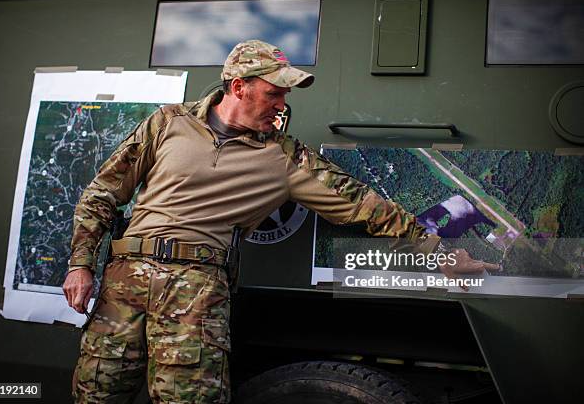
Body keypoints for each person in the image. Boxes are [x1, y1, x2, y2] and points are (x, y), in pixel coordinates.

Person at [63, 39, 498, 403]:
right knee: (95, 394)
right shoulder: (167, 123)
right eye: (275, 93)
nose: (282, 104)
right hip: (122, 285)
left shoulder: (285, 157)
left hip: (194, 294)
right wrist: (80, 264)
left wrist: (438, 254)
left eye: (285, 95)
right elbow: (104, 193)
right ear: (239, 87)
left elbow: (366, 206)